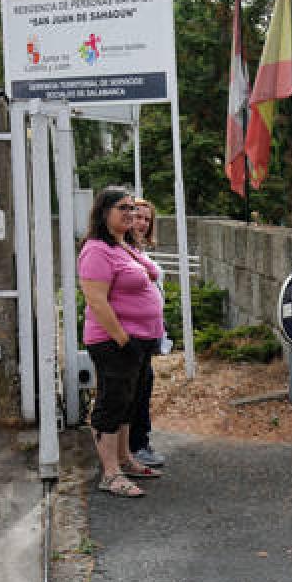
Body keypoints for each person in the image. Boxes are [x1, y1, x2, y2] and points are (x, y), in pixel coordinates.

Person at [78, 187, 165, 498]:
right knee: (111, 404)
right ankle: (110, 473)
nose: (130, 214)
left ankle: (126, 459)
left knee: (129, 401)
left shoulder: (124, 245)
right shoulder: (96, 249)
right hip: (114, 341)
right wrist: (123, 340)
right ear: (104, 213)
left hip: (139, 341)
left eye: (132, 208)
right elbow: (97, 302)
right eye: (122, 209)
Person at [126, 198, 169, 469]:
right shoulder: (122, 251)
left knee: (144, 385)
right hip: (131, 334)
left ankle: (139, 442)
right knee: (134, 389)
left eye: (147, 219)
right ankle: (135, 445)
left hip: (148, 334)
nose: (141, 223)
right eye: (137, 217)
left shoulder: (140, 251)